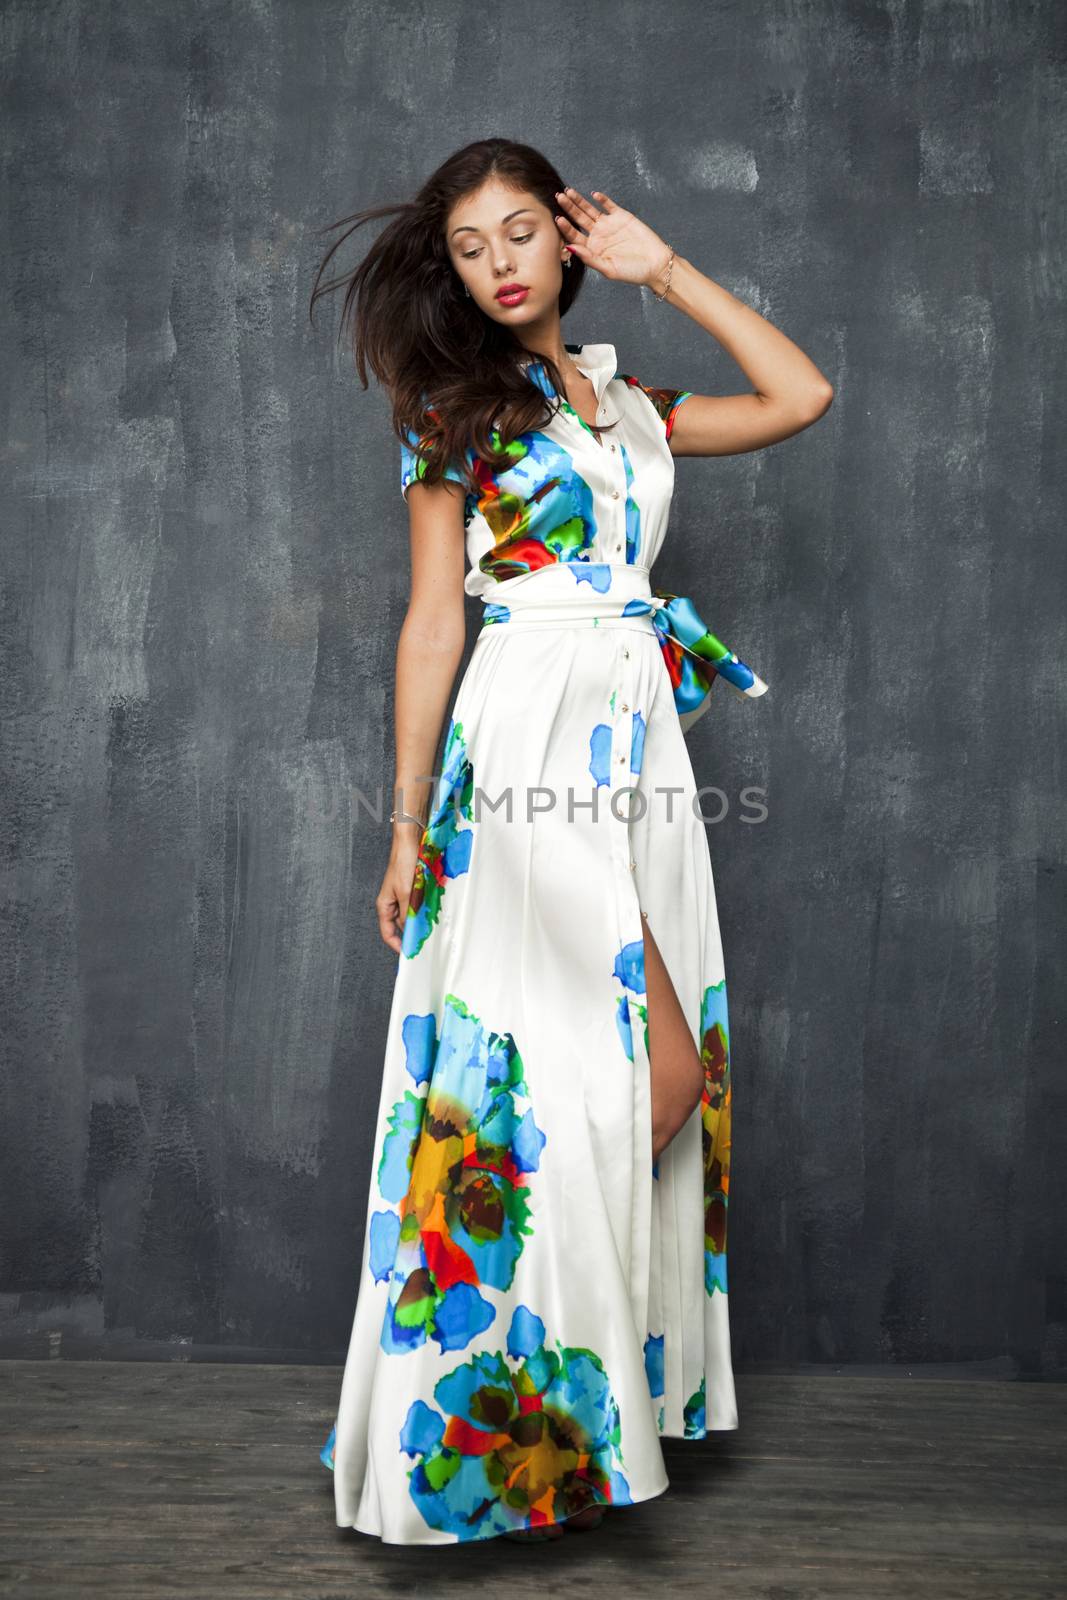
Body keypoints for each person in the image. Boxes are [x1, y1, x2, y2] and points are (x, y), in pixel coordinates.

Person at [308, 137, 832, 1547]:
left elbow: (803, 396)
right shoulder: (447, 411)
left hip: (638, 749)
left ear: (569, 236)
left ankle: (536, 1413)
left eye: (523, 232)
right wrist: (407, 825)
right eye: (472, 248)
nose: (500, 266)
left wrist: (669, 274)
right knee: (623, 1068)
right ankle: (491, 1411)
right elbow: (436, 622)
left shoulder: (629, 400)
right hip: (525, 746)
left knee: (646, 1081)